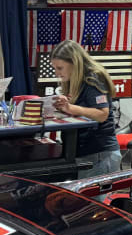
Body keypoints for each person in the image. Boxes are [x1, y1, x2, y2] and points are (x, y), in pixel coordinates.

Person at [49, 40, 121, 177]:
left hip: (99, 155)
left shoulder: (93, 79)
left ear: (74, 63)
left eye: (60, 68)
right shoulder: (74, 81)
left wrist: (71, 108)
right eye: (55, 68)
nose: (56, 73)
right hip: (86, 154)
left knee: (89, 199)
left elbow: (102, 114)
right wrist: (63, 108)